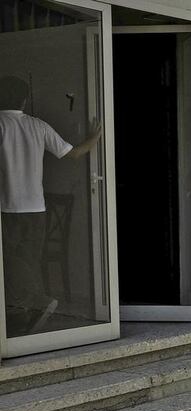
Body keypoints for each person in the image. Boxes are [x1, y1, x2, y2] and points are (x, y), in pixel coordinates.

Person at [0, 75, 102, 335]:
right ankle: (25, 311)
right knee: (28, 261)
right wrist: (96, 136)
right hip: (36, 209)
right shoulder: (38, 126)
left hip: (7, 209)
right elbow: (74, 153)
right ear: (24, 99)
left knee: (10, 264)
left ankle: (32, 304)